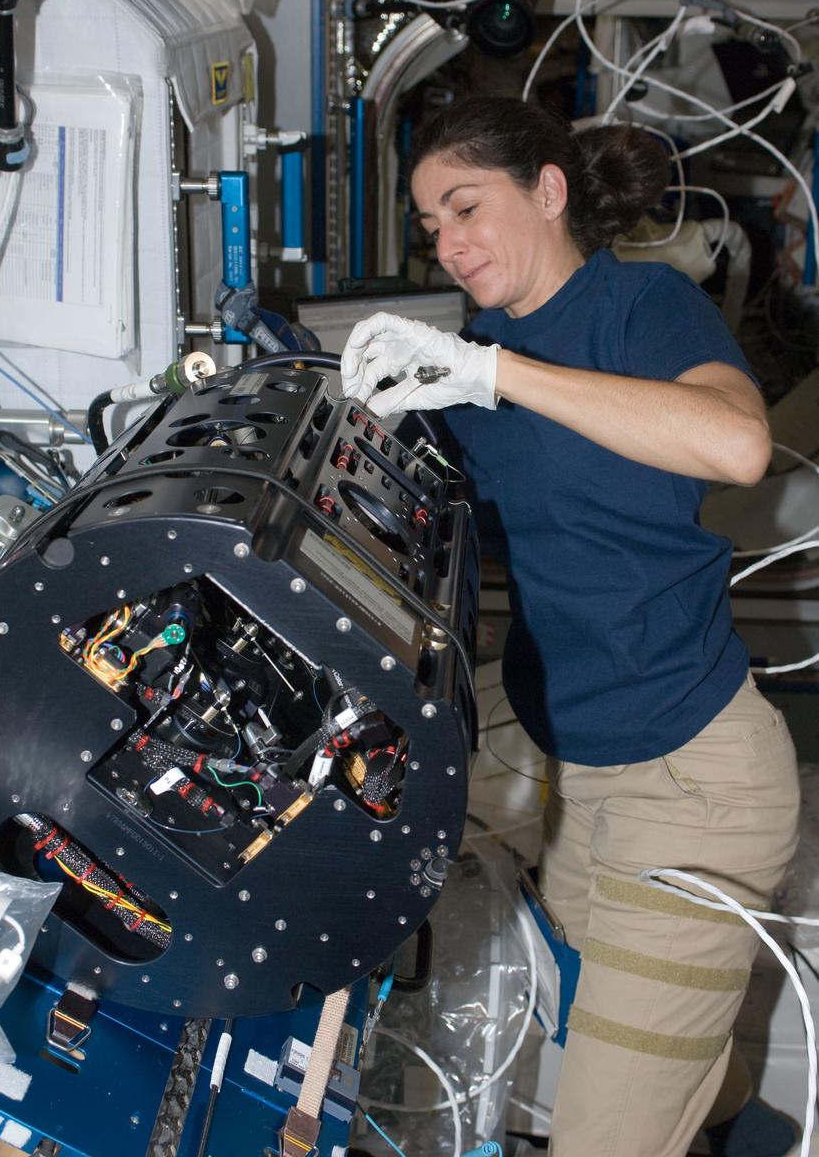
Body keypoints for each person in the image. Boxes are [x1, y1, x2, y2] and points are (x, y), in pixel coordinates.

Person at [340, 96, 801, 1157]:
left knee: (604, 1127)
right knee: (640, 1030)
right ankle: (748, 1130)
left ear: (548, 191)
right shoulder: (469, 357)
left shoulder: (639, 305)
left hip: (694, 780)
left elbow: (735, 445)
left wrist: (492, 374)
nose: (448, 246)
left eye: (465, 208)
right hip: (584, 776)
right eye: (429, 228)